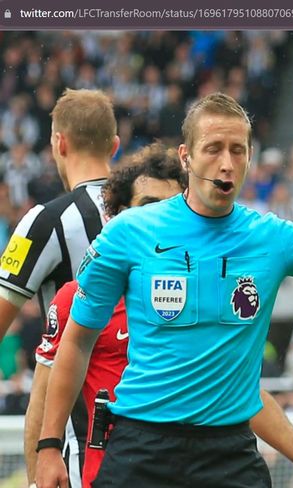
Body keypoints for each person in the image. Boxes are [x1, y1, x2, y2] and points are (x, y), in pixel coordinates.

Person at [36, 92, 293, 488]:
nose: (226, 164)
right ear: (186, 156)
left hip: (229, 454)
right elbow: (77, 343)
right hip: (141, 449)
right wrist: (48, 446)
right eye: (214, 149)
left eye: (238, 151)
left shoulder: (275, 239)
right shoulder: (127, 233)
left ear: (251, 158)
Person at [2, 89, 119, 488]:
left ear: (59, 142)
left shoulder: (45, 221)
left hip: (81, 439)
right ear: (115, 146)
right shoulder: (152, 215)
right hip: (156, 428)